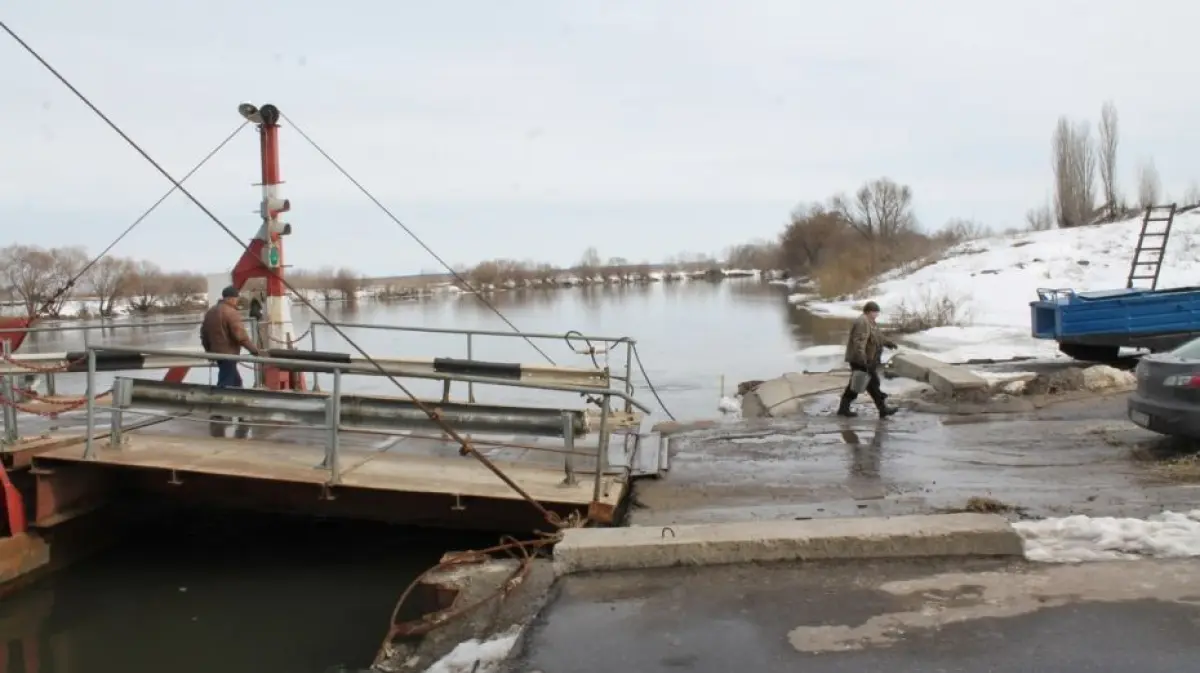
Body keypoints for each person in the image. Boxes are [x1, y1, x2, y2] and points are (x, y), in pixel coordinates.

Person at [201, 286, 259, 436]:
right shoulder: (231, 313)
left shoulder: (211, 312)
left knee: (236, 381)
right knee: (226, 381)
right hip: (229, 354)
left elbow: (203, 334)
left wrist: (209, 351)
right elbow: (240, 336)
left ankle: (241, 411)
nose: (237, 301)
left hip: (217, 353)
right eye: (236, 298)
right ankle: (218, 411)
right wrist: (254, 350)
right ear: (232, 298)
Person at [837, 301, 899, 418]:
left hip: (866, 360)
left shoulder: (870, 322)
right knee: (871, 384)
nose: (877, 315)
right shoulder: (862, 322)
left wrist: (888, 343)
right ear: (870, 311)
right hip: (861, 360)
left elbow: (878, 337)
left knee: (858, 385)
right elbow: (859, 342)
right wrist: (863, 359)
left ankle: (843, 408)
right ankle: (883, 409)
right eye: (876, 312)